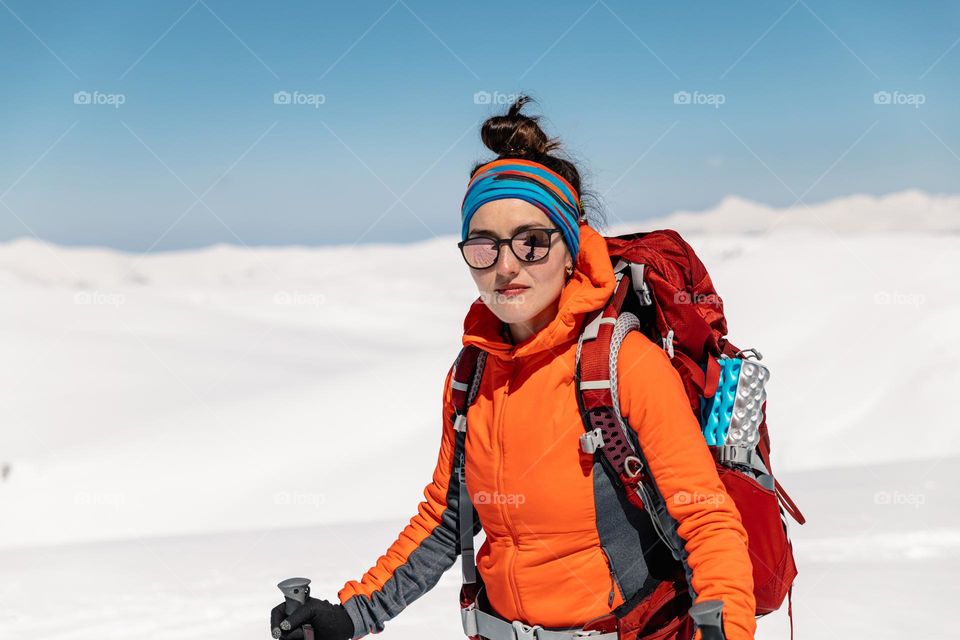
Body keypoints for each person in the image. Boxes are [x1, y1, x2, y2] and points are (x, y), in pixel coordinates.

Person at [270, 95, 756, 640]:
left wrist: (727, 628)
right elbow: (446, 522)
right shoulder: (471, 376)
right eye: (484, 246)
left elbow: (704, 519)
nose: (506, 267)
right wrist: (349, 615)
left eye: (532, 243)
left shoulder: (622, 365)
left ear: (571, 250)